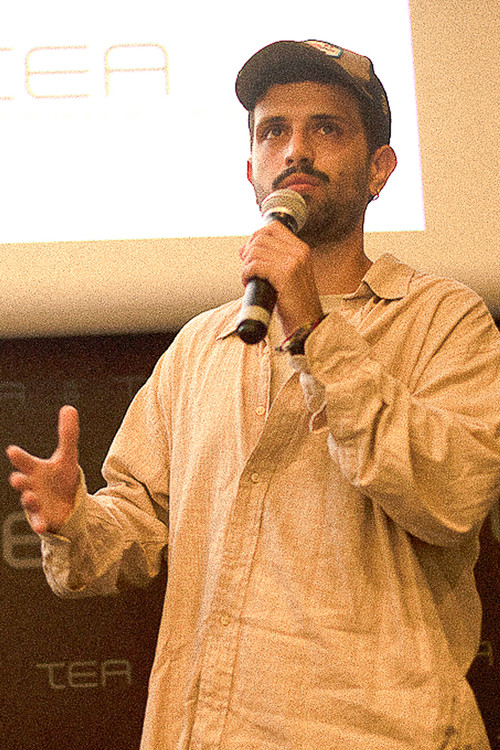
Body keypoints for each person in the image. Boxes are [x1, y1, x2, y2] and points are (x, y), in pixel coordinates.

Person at [6, 39, 500, 750]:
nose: (295, 149)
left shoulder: (443, 320)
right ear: (251, 171)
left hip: (377, 734)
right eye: (273, 131)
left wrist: (315, 330)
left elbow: (450, 497)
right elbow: (134, 531)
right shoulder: (201, 345)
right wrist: (75, 521)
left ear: (380, 169)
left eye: (327, 128)